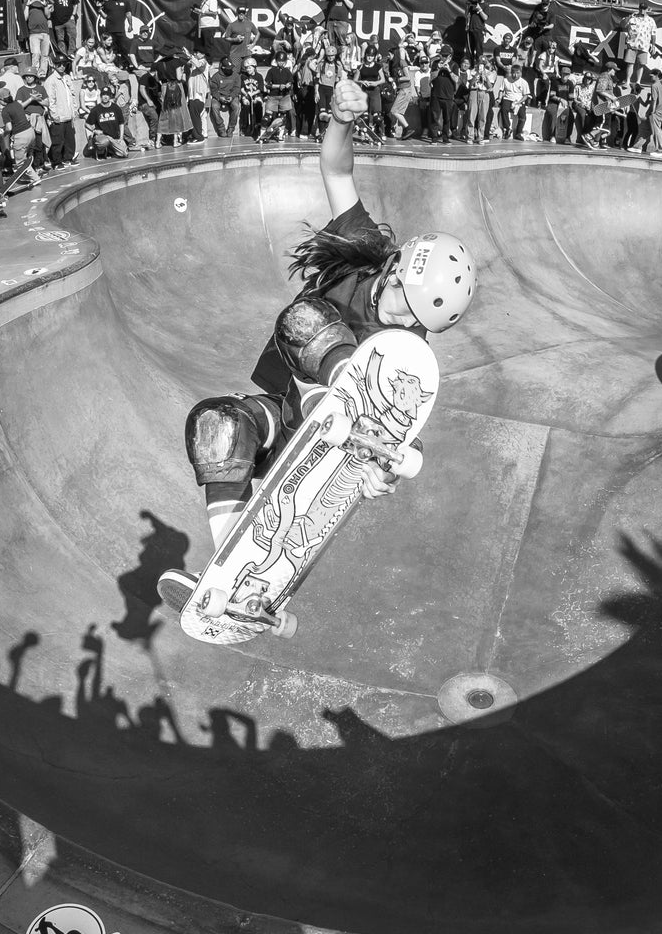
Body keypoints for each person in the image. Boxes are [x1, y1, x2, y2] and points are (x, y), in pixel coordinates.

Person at [159, 77, 478, 604]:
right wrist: (340, 119)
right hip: (286, 418)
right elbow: (336, 168)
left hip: (334, 443)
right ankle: (231, 576)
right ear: (396, 270)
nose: (404, 324)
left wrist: (382, 474)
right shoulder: (365, 243)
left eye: (418, 323)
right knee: (216, 424)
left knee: (309, 322)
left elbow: (403, 426)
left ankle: (344, 397)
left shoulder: (407, 352)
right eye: (404, 306)